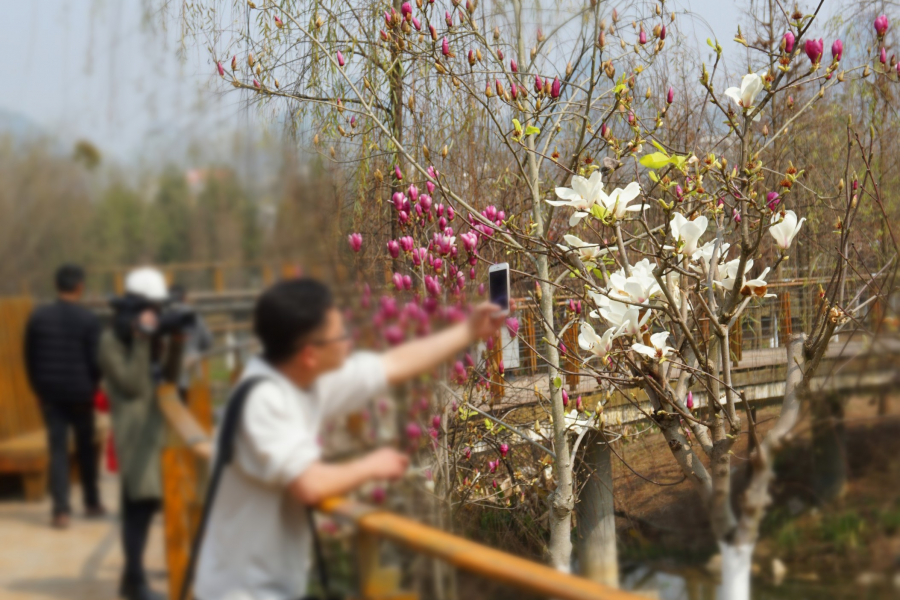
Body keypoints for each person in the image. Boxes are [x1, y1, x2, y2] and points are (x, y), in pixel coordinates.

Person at [193, 278, 504, 600]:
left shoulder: (303, 379)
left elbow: (393, 364)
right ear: (309, 354)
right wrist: (372, 465)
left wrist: (468, 331)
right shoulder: (263, 400)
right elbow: (309, 483)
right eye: (340, 337)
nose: (348, 343)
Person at [99, 267, 177, 600]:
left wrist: (177, 342)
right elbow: (130, 384)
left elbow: (170, 377)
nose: (154, 314)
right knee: (137, 506)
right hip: (133, 433)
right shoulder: (110, 340)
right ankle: (135, 581)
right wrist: (143, 340)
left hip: (154, 429)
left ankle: (131, 580)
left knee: (145, 505)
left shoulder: (149, 335)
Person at [24, 263, 104, 529]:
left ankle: (61, 511)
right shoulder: (89, 320)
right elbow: (96, 362)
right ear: (79, 286)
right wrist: (93, 387)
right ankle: (91, 502)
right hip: (81, 394)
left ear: (56, 285)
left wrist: (39, 390)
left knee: (57, 451)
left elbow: (29, 359)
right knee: (85, 449)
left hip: (50, 396)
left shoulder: (37, 317)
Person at [168, 284, 213, 402]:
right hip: (195, 373)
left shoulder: (165, 316)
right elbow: (207, 341)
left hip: (172, 376)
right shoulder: (195, 315)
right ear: (185, 298)